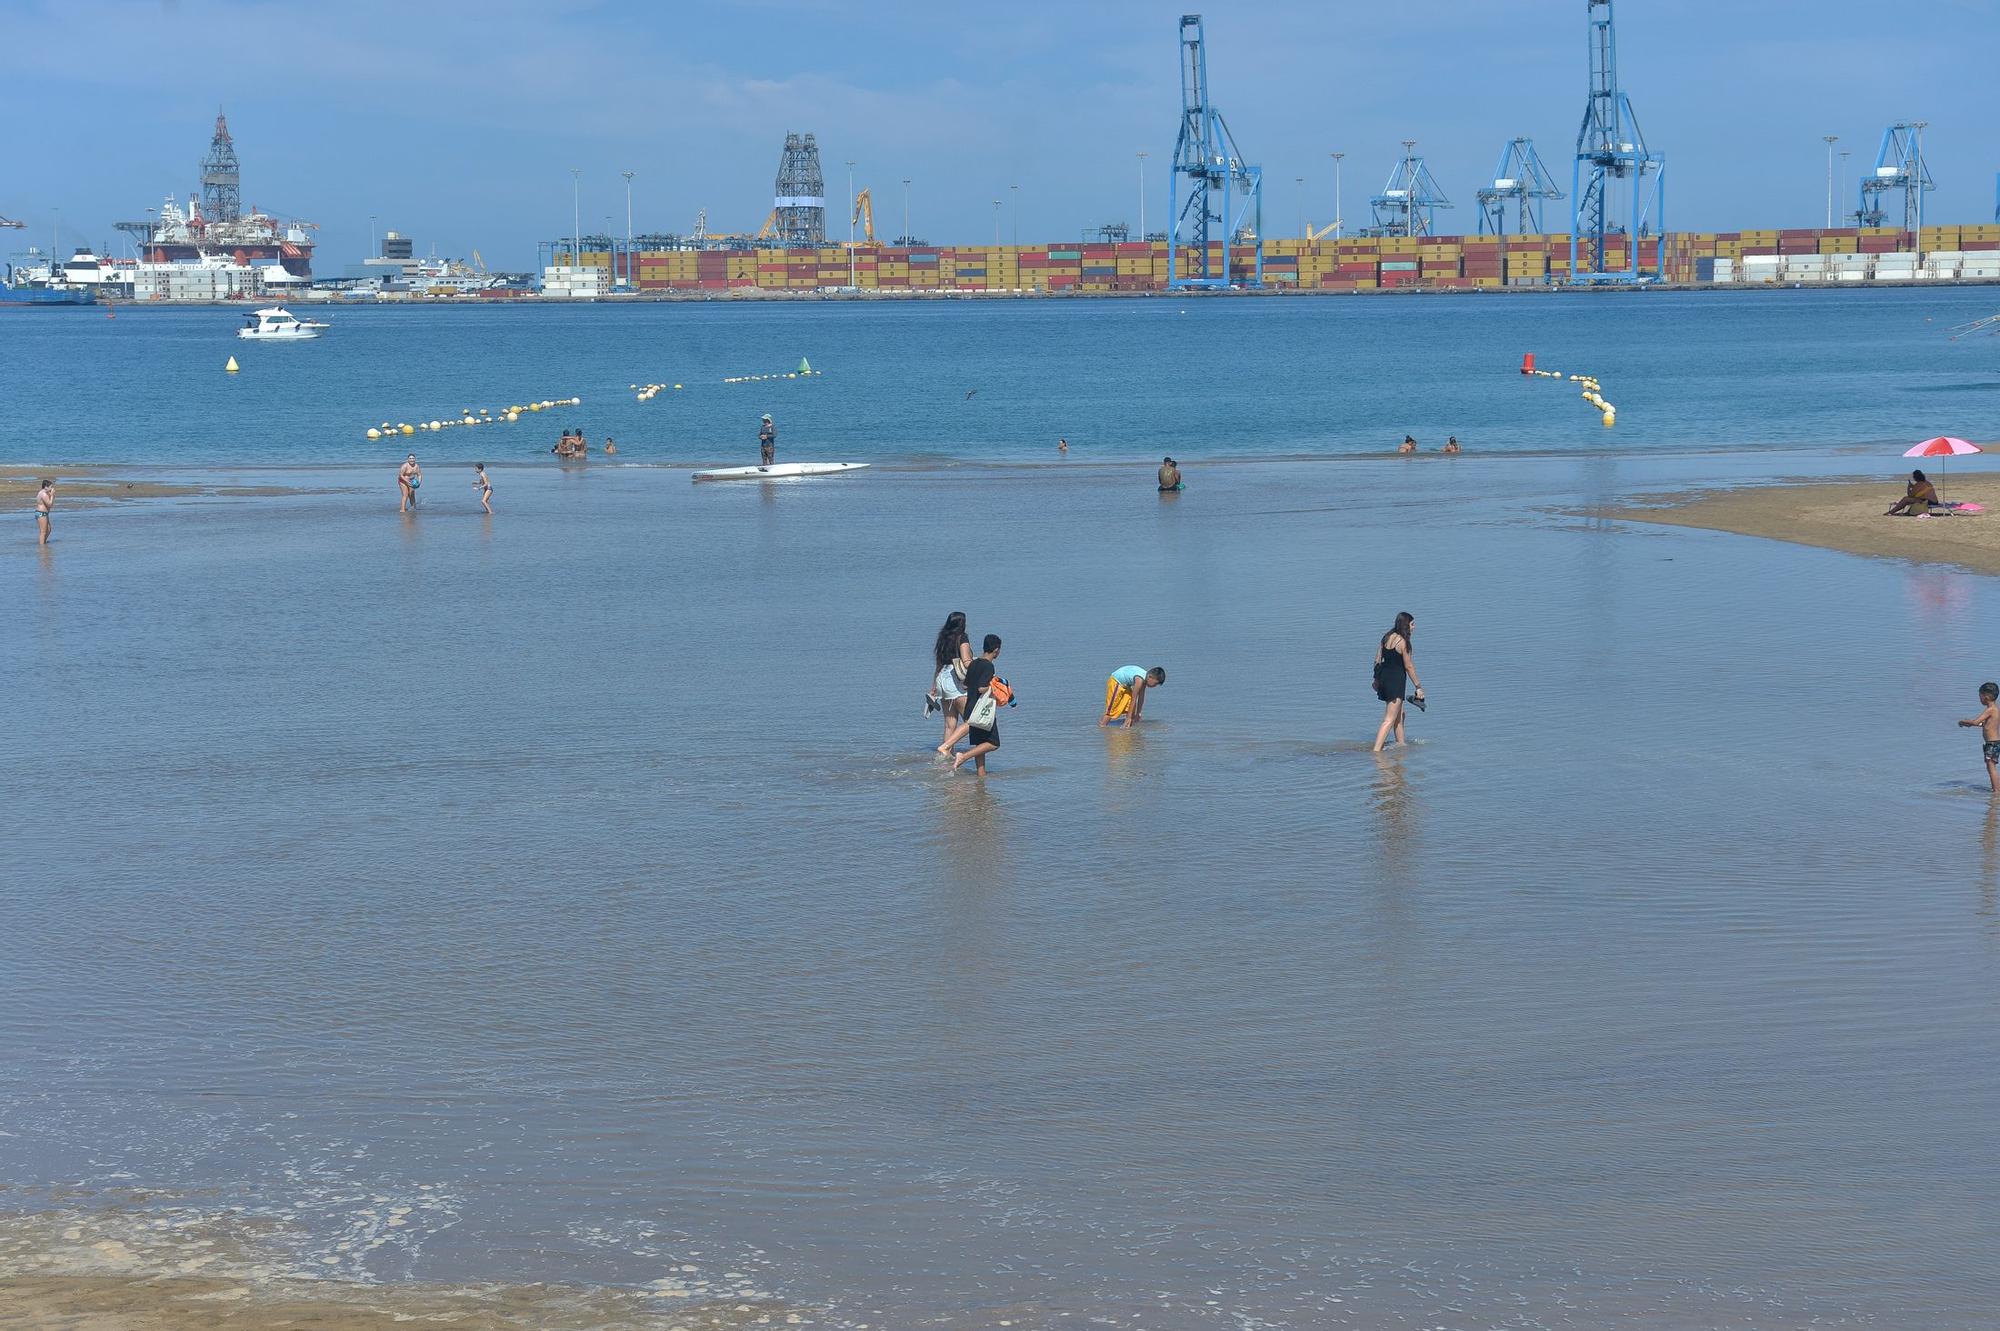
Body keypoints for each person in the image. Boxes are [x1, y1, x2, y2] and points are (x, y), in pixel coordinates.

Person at [951, 635, 1005, 774]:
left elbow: (965, 686)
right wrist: (994, 687)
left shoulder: (974, 663)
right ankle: (963, 756)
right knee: (993, 743)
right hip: (982, 712)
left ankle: (981, 776)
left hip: (970, 708)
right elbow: (982, 688)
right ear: (996, 650)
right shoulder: (989, 666)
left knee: (980, 744)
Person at [1371, 611, 1423, 752]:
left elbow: (1377, 659)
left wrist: (1376, 679)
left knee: (1400, 714)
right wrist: (1418, 687)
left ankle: (1401, 744)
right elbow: (1409, 666)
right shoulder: (1403, 642)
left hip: (1385, 678)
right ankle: (1376, 752)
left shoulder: (1387, 637)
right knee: (1389, 719)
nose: (1414, 627)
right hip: (1396, 681)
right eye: (1412, 624)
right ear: (1406, 625)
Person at [924, 611, 974, 742]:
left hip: (942, 680)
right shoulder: (962, 637)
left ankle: (946, 759)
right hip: (956, 681)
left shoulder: (942, 638)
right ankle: (945, 748)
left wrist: (934, 686)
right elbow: (965, 660)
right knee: (972, 721)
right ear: (962, 624)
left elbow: (938, 665)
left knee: (949, 725)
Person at [1960, 682, 2000, 793]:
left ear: (1986, 697)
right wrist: (1971, 724)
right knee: (1991, 767)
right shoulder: (1996, 709)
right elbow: (1985, 724)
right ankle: (1996, 790)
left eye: (1980, 696)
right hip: (1995, 743)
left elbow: (1976, 721)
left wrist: (1964, 721)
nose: (1980, 699)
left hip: (1991, 744)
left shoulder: (1990, 710)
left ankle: (1996, 792)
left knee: (1991, 768)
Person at [1101, 665, 1166, 726]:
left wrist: (1138, 713)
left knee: (1130, 707)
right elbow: (1134, 698)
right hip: (1116, 681)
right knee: (1112, 709)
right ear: (1150, 677)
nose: (1155, 686)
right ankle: (1102, 726)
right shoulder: (1139, 680)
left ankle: (1127, 727)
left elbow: (1141, 697)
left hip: (1126, 685)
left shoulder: (1144, 680)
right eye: (1155, 683)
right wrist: (1128, 717)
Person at [34, 478, 54, 546]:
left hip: (44, 514)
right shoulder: (43, 494)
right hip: (41, 514)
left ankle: (43, 542)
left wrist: (50, 494)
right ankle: (41, 547)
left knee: (48, 529)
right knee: (43, 532)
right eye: (51, 487)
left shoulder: (45, 493)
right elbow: (50, 504)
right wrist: (52, 496)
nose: (52, 488)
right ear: (46, 487)